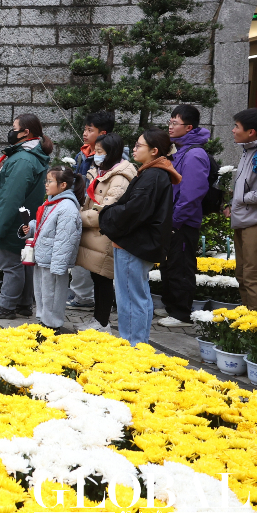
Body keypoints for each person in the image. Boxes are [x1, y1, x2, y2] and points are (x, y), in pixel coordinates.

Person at [99, 129, 180, 346]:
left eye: (138, 145)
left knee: (130, 298)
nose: (134, 149)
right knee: (137, 295)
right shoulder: (153, 172)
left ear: (154, 151)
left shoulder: (153, 175)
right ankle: (138, 343)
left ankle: (133, 345)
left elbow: (134, 211)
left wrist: (107, 213)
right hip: (137, 243)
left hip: (134, 244)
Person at [0, 114, 52, 320]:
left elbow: (10, 198)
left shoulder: (22, 160)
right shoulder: (28, 156)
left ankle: (6, 305)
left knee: (11, 266)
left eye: (14, 127)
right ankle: (23, 303)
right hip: (22, 220)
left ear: (26, 132)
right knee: (23, 263)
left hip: (12, 222)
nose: (11, 131)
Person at [75, 133, 137, 331]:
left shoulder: (119, 178)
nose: (96, 155)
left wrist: (78, 218)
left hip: (105, 233)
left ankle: (102, 322)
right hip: (96, 234)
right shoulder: (102, 171)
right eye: (96, 151)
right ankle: (98, 319)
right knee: (97, 276)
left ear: (112, 152)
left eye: (100, 151)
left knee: (103, 278)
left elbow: (105, 211)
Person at [159, 104, 212, 327]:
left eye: (175, 123)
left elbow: (192, 194)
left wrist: (175, 220)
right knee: (170, 264)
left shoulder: (195, 154)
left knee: (180, 265)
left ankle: (181, 313)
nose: (170, 127)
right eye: (169, 122)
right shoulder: (180, 150)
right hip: (174, 220)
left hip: (183, 222)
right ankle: (172, 307)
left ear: (189, 127)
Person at [24, 166, 84, 332]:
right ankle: (43, 321)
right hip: (44, 257)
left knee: (53, 294)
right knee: (42, 293)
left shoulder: (67, 207)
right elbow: (44, 226)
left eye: (50, 181)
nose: (46, 184)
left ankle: (52, 324)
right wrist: (30, 228)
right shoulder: (52, 202)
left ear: (63, 185)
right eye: (46, 181)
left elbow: (65, 240)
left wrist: (58, 266)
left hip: (53, 261)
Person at [67, 110, 116, 312]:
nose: (85, 133)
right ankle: (81, 294)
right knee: (82, 255)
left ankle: (91, 299)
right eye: (85, 129)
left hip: (96, 216)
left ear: (102, 133)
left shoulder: (114, 158)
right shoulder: (83, 154)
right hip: (83, 211)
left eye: (90, 130)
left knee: (96, 260)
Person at [228, 108, 257, 311]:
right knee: (243, 274)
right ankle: (248, 318)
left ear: (251, 132)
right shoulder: (249, 149)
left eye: (237, 126)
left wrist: (242, 199)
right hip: (244, 219)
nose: (233, 130)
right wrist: (233, 203)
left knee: (255, 275)